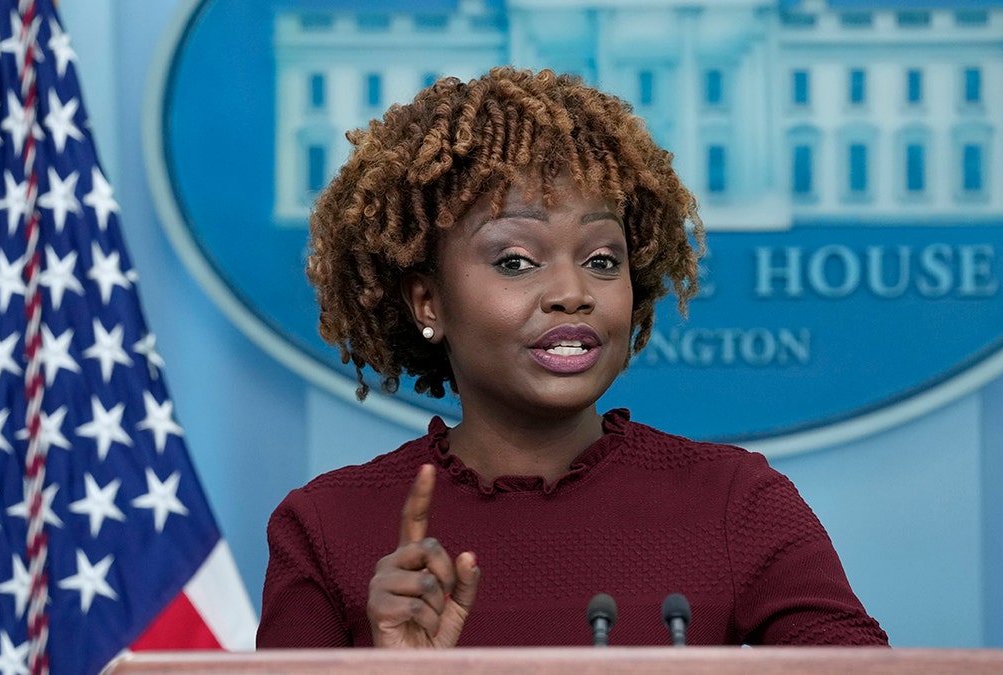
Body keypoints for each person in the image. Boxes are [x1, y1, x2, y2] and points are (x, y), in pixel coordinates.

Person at [257, 67, 888, 649]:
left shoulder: (738, 502)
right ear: (428, 302)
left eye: (602, 261)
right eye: (516, 261)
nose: (572, 293)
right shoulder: (326, 529)